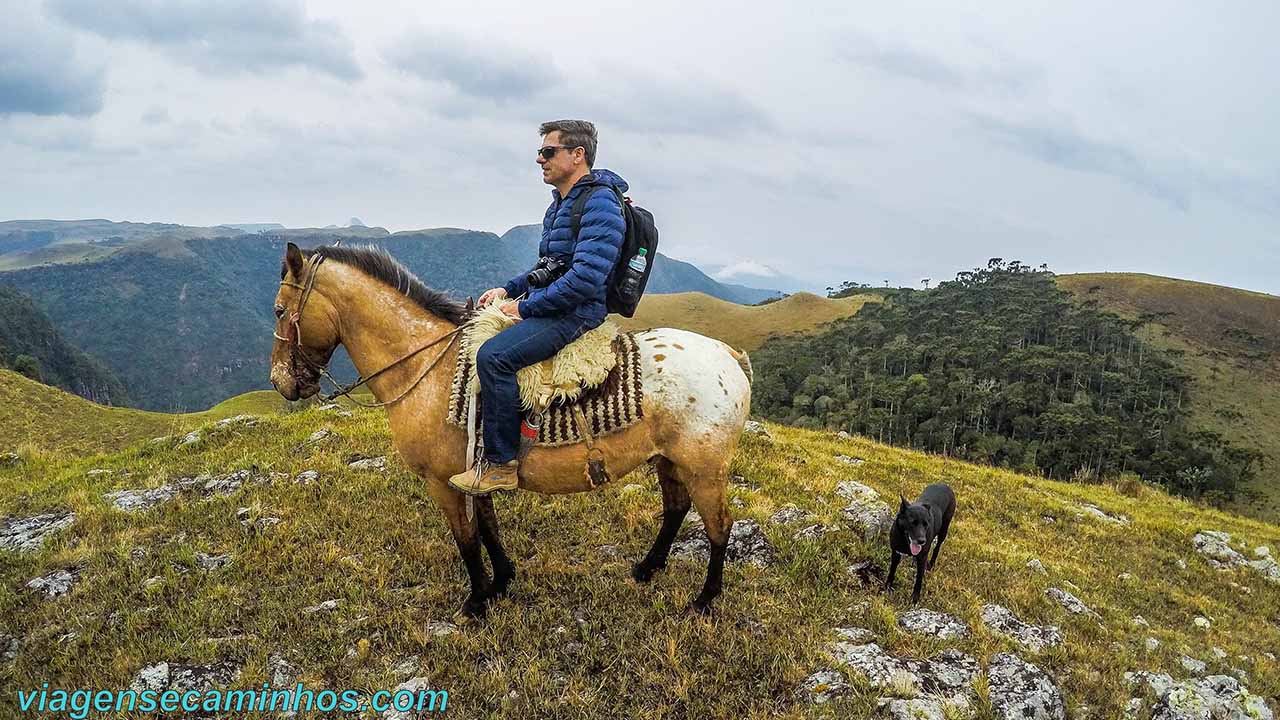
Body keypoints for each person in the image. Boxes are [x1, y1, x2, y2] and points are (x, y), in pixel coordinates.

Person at [448, 119, 628, 495]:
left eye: (548, 152)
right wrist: (509, 290)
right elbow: (548, 268)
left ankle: (501, 465)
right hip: (557, 304)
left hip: (578, 311)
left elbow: (584, 280)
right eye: (540, 152)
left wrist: (524, 310)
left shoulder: (600, 203)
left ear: (577, 155)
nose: (539, 159)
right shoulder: (562, 204)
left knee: (494, 356)